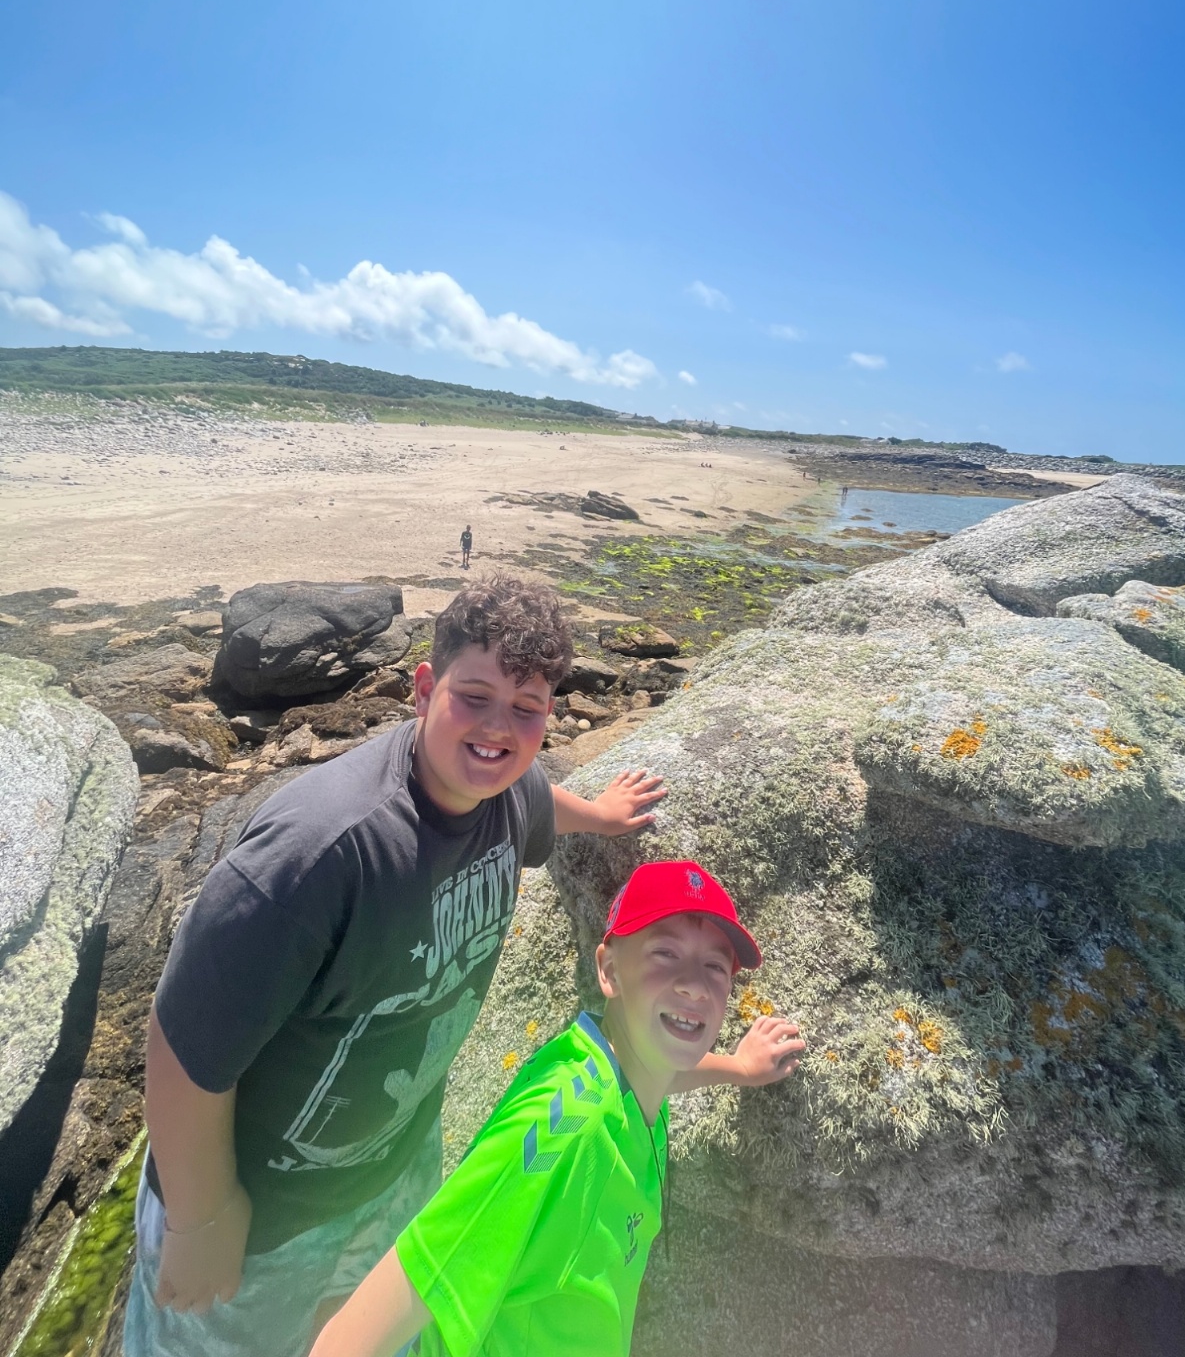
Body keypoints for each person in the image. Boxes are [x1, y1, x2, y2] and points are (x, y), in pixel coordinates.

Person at [125, 574, 672, 1357]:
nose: (498, 729)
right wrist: (201, 1216)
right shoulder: (321, 851)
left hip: (395, 1171)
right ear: (423, 689)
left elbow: (539, 800)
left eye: (526, 709)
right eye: (474, 698)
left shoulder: (508, 793)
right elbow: (183, 1044)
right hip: (264, 1215)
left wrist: (604, 815)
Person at [311, 860, 805, 1357]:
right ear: (609, 970)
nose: (695, 985)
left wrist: (741, 1068)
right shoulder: (559, 1136)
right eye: (665, 953)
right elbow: (346, 1342)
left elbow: (658, 1072)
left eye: (715, 967)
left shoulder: (619, 1067)